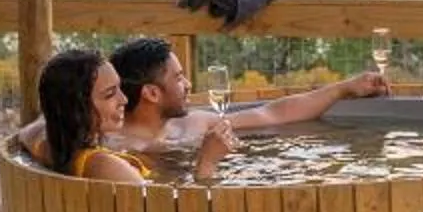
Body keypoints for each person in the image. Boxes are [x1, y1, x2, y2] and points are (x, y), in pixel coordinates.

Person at [104, 38, 391, 148]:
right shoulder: (118, 148)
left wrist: (344, 88)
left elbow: (272, 114)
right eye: (179, 78)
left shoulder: (192, 125)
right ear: (152, 93)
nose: (188, 84)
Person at [28, 46, 173, 183]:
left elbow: (28, 132)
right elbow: (154, 201)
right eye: (110, 94)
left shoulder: (48, 147)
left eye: (120, 88)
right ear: (78, 108)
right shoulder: (105, 166)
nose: (124, 100)